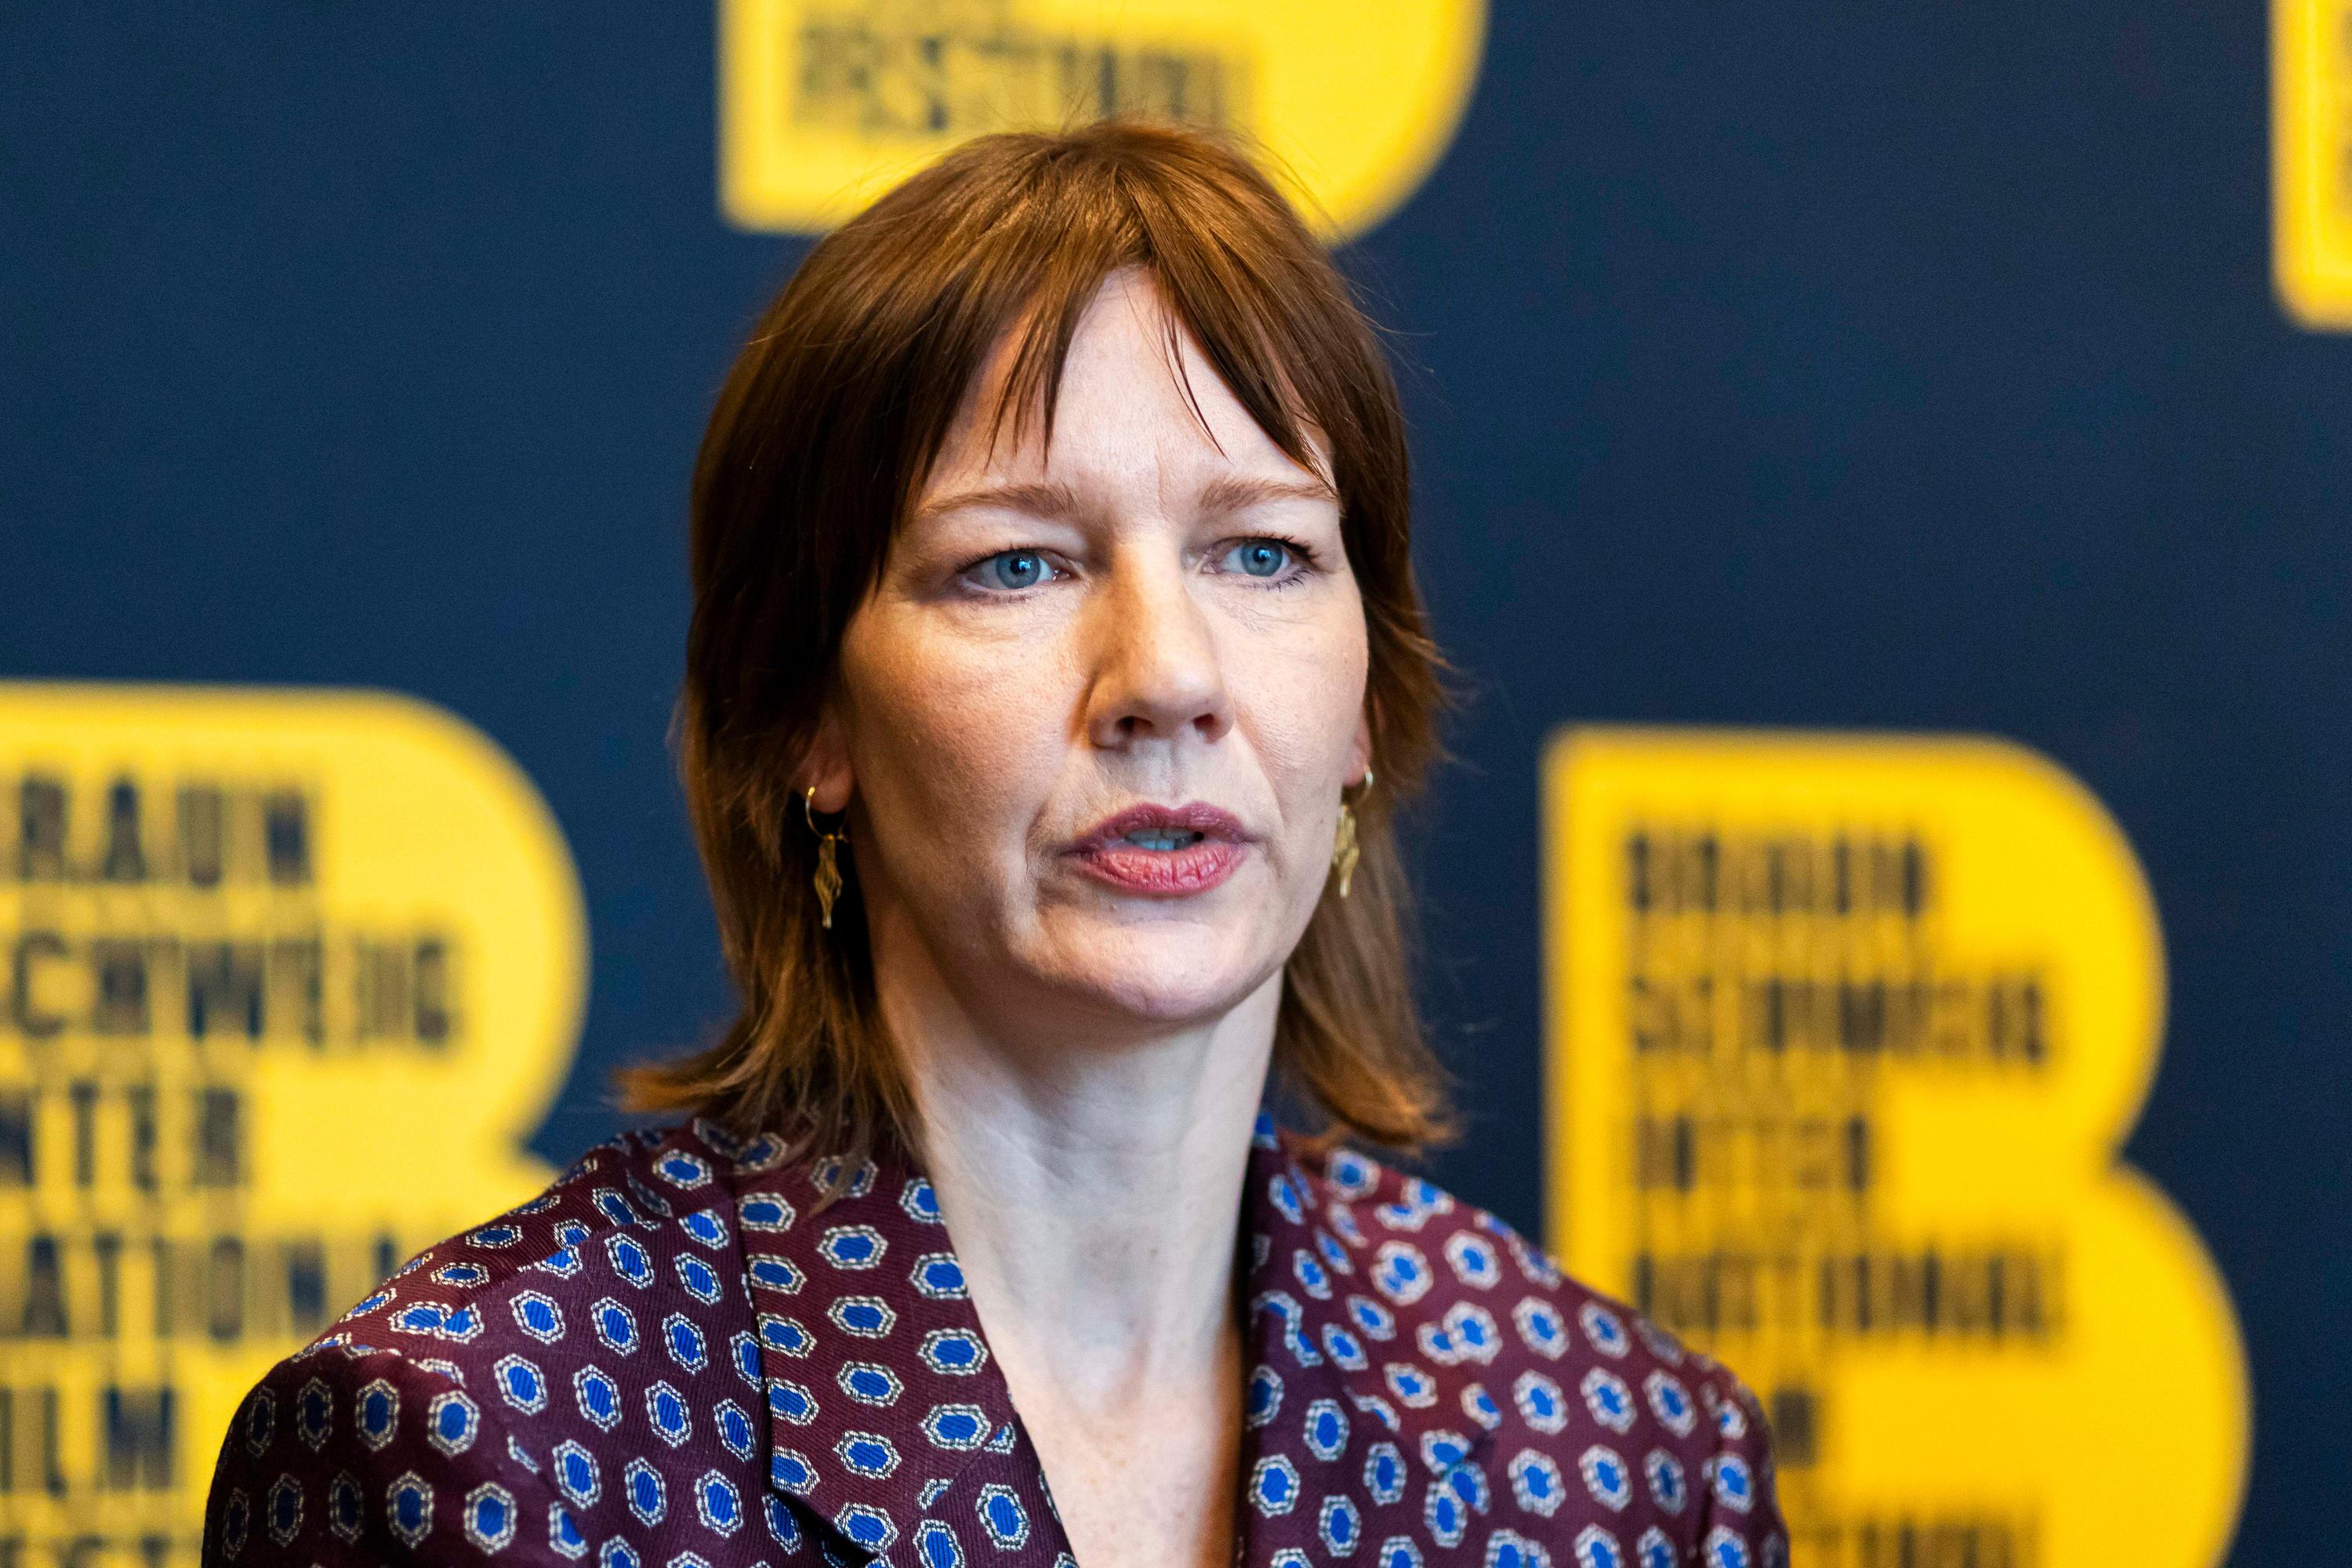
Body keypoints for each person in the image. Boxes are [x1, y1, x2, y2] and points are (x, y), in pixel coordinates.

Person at [201, 120, 1784, 1568]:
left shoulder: (1624, 1468)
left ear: (1367, 704)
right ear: (806, 716)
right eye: (1017, 564)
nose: (1167, 675)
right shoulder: (473, 1453)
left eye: (1261, 552)